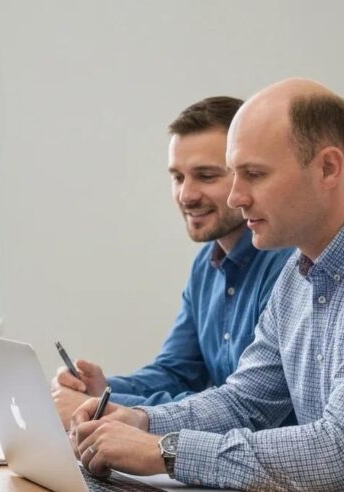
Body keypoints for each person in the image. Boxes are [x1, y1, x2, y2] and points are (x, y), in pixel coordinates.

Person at [70, 79, 344, 492]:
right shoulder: (297, 274)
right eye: (232, 174)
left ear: (328, 167)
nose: (235, 196)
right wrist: (141, 421)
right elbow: (244, 403)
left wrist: (166, 451)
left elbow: (343, 455)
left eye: (254, 175)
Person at [51, 97, 292, 427]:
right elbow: (176, 372)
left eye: (206, 176)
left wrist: (101, 406)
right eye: (178, 178)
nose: (186, 195)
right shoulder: (205, 266)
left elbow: (240, 407)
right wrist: (103, 390)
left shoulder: (288, 268)